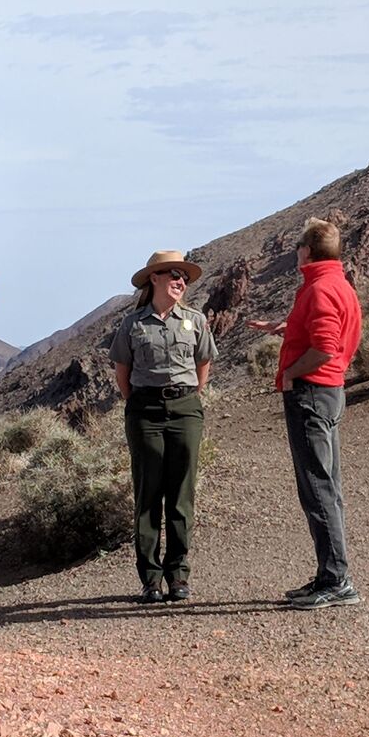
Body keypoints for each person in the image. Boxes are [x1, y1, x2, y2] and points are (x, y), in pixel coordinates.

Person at [248, 217, 362, 610]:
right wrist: (285, 328)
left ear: (307, 251)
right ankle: (330, 573)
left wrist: (291, 373)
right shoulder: (337, 285)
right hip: (330, 391)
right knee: (326, 485)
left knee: (317, 488)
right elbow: (324, 334)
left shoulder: (318, 289)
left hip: (312, 394)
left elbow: (325, 347)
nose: (295, 252)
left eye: (298, 245)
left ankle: (336, 580)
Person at [109, 251, 218, 603]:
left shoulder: (195, 320)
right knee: (148, 494)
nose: (180, 281)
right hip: (145, 410)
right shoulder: (134, 324)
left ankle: (179, 574)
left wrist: (190, 396)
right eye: (173, 274)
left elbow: (204, 363)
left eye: (183, 276)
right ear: (153, 278)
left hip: (185, 408)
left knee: (181, 494)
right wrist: (139, 403)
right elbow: (122, 372)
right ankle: (150, 579)